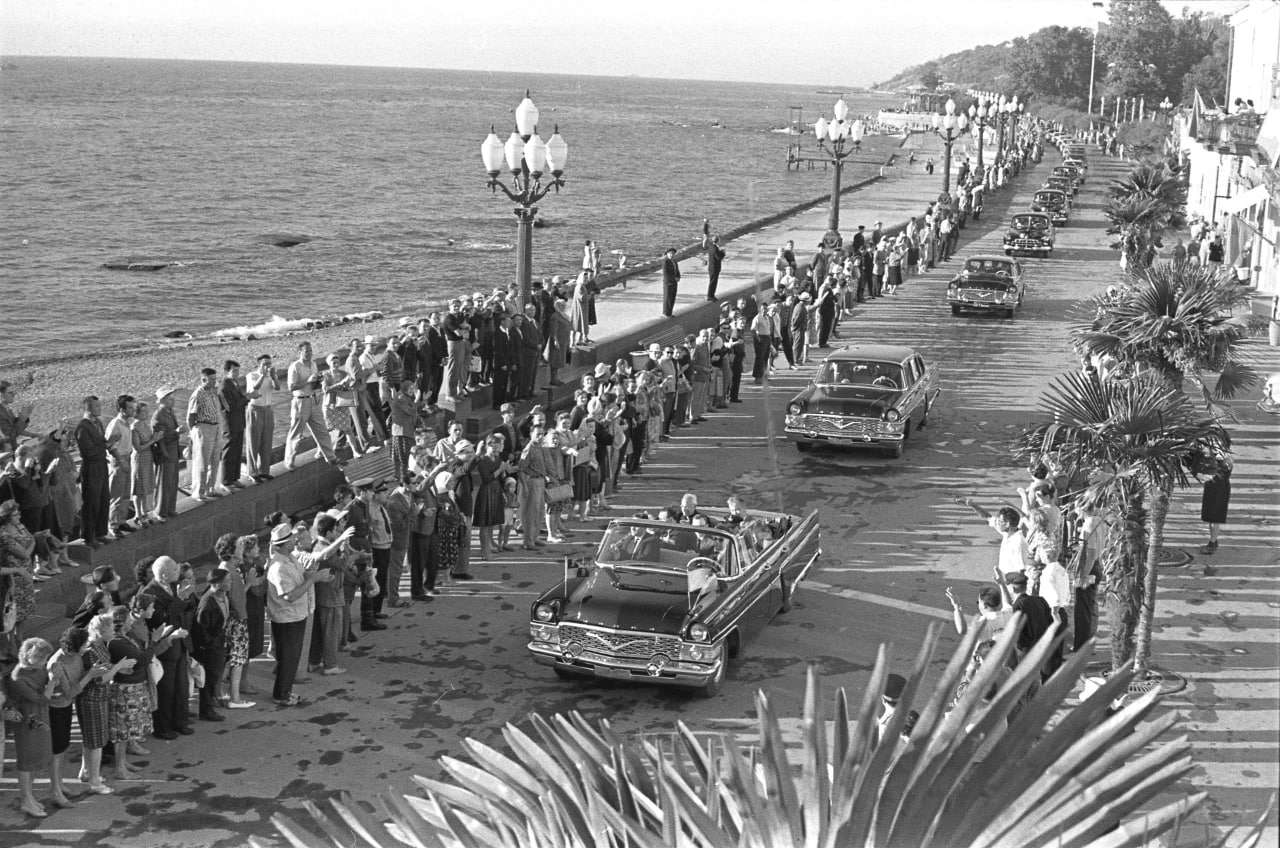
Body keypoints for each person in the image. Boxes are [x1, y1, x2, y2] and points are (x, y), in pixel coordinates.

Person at [264, 521, 346, 706]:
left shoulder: (290, 559)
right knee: (288, 658)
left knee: (292, 658)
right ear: (285, 544)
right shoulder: (279, 567)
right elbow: (290, 596)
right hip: (286, 619)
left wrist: (316, 575)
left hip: (296, 616)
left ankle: (285, 691)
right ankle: (281, 694)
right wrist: (314, 579)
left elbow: (302, 578)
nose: (295, 542)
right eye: (292, 540)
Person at [142, 556, 197, 740]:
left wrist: (186, 597)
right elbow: (161, 619)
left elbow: (186, 607)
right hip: (166, 646)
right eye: (174, 569)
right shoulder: (150, 593)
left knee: (181, 686)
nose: (178, 572)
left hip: (180, 642)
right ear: (164, 575)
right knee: (166, 689)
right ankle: (163, 727)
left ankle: (180, 721)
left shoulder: (173, 585)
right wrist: (180, 599)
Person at [78, 613, 129, 795]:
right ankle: (94, 782)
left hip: (98, 698)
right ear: (100, 631)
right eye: (109, 629)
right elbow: (100, 679)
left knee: (90, 740)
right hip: (93, 699)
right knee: (97, 743)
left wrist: (117, 667)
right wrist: (117, 667)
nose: (113, 631)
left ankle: (86, 772)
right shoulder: (91, 651)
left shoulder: (99, 646)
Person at [6, 637, 58, 817]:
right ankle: (26, 800)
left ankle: (30, 796)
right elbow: (42, 699)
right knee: (26, 761)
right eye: (43, 658)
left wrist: (50, 680)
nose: (46, 662)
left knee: (38, 757)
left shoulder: (38, 669)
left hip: (40, 718)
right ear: (30, 657)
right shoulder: (17, 677)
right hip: (26, 721)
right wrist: (52, 681)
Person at [284, 342, 339, 471]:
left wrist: (319, 381)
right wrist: (308, 380)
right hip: (301, 401)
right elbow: (291, 387)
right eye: (306, 351)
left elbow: (314, 384)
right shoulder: (295, 367)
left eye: (310, 351)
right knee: (296, 434)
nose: (309, 354)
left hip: (314, 399)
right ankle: (289, 461)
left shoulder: (314, 364)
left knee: (322, 430)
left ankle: (331, 457)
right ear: (300, 352)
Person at [186, 369, 223, 500]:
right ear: (204, 380)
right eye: (212, 379)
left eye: (215, 379)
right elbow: (191, 417)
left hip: (215, 426)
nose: (215, 382)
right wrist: (194, 434)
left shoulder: (213, 392)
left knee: (215, 460)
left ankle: (210, 488)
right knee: (202, 461)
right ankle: (198, 491)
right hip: (204, 427)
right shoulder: (197, 395)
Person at [150, 387, 182, 520]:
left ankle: (170, 509)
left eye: (172, 398)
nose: (173, 400)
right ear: (162, 400)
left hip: (173, 452)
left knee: (173, 482)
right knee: (164, 482)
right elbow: (161, 438)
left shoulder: (169, 412)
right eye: (170, 398)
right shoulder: (158, 416)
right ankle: (160, 511)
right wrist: (177, 433)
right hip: (166, 453)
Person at [244, 355, 277, 481]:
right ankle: (252, 472)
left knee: (267, 441)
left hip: (268, 409)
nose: (267, 366)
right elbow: (255, 388)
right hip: (255, 409)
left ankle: (264, 470)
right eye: (265, 364)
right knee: (253, 441)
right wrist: (263, 375)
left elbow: (277, 387)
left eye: (269, 363)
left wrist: (273, 377)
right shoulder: (252, 375)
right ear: (259, 364)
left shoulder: (271, 375)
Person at [219, 360, 250, 489]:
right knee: (229, 451)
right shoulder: (224, 386)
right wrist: (247, 398)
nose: (237, 373)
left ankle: (234, 477)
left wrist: (246, 398)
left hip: (238, 422)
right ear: (226, 372)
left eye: (238, 370)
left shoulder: (234, 383)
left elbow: (239, 401)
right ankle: (225, 481)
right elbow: (230, 407)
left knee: (237, 451)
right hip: (230, 424)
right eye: (234, 371)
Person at [129, 400, 161, 526]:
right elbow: (138, 448)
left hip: (148, 458)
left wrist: (156, 437)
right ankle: (138, 514)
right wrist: (153, 440)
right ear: (136, 413)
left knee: (146, 486)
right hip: (140, 458)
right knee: (139, 488)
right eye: (142, 411)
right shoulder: (135, 427)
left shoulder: (145, 424)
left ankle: (144, 512)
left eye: (146, 411)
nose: (146, 414)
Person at [1198, 450, 1232, 555]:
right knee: (1210, 517)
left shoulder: (1223, 460)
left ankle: (1213, 542)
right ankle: (1213, 541)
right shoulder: (1216, 458)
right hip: (1212, 486)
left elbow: (1227, 466)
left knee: (1214, 517)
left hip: (1219, 488)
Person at [702, 222, 725, 301]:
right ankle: (710, 296)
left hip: (711, 267)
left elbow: (705, 235)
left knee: (712, 282)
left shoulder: (710, 246)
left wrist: (706, 225)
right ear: (717, 241)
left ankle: (711, 295)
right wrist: (723, 253)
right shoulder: (715, 248)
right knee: (713, 282)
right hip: (714, 267)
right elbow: (718, 258)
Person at [661, 247, 681, 317]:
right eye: (670, 254)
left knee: (672, 297)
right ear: (667, 254)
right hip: (668, 283)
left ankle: (670, 312)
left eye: (673, 254)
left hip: (674, 282)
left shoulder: (674, 261)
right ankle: (666, 313)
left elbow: (677, 270)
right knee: (667, 298)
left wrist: (678, 277)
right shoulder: (665, 262)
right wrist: (674, 278)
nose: (671, 255)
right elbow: (666, 274)